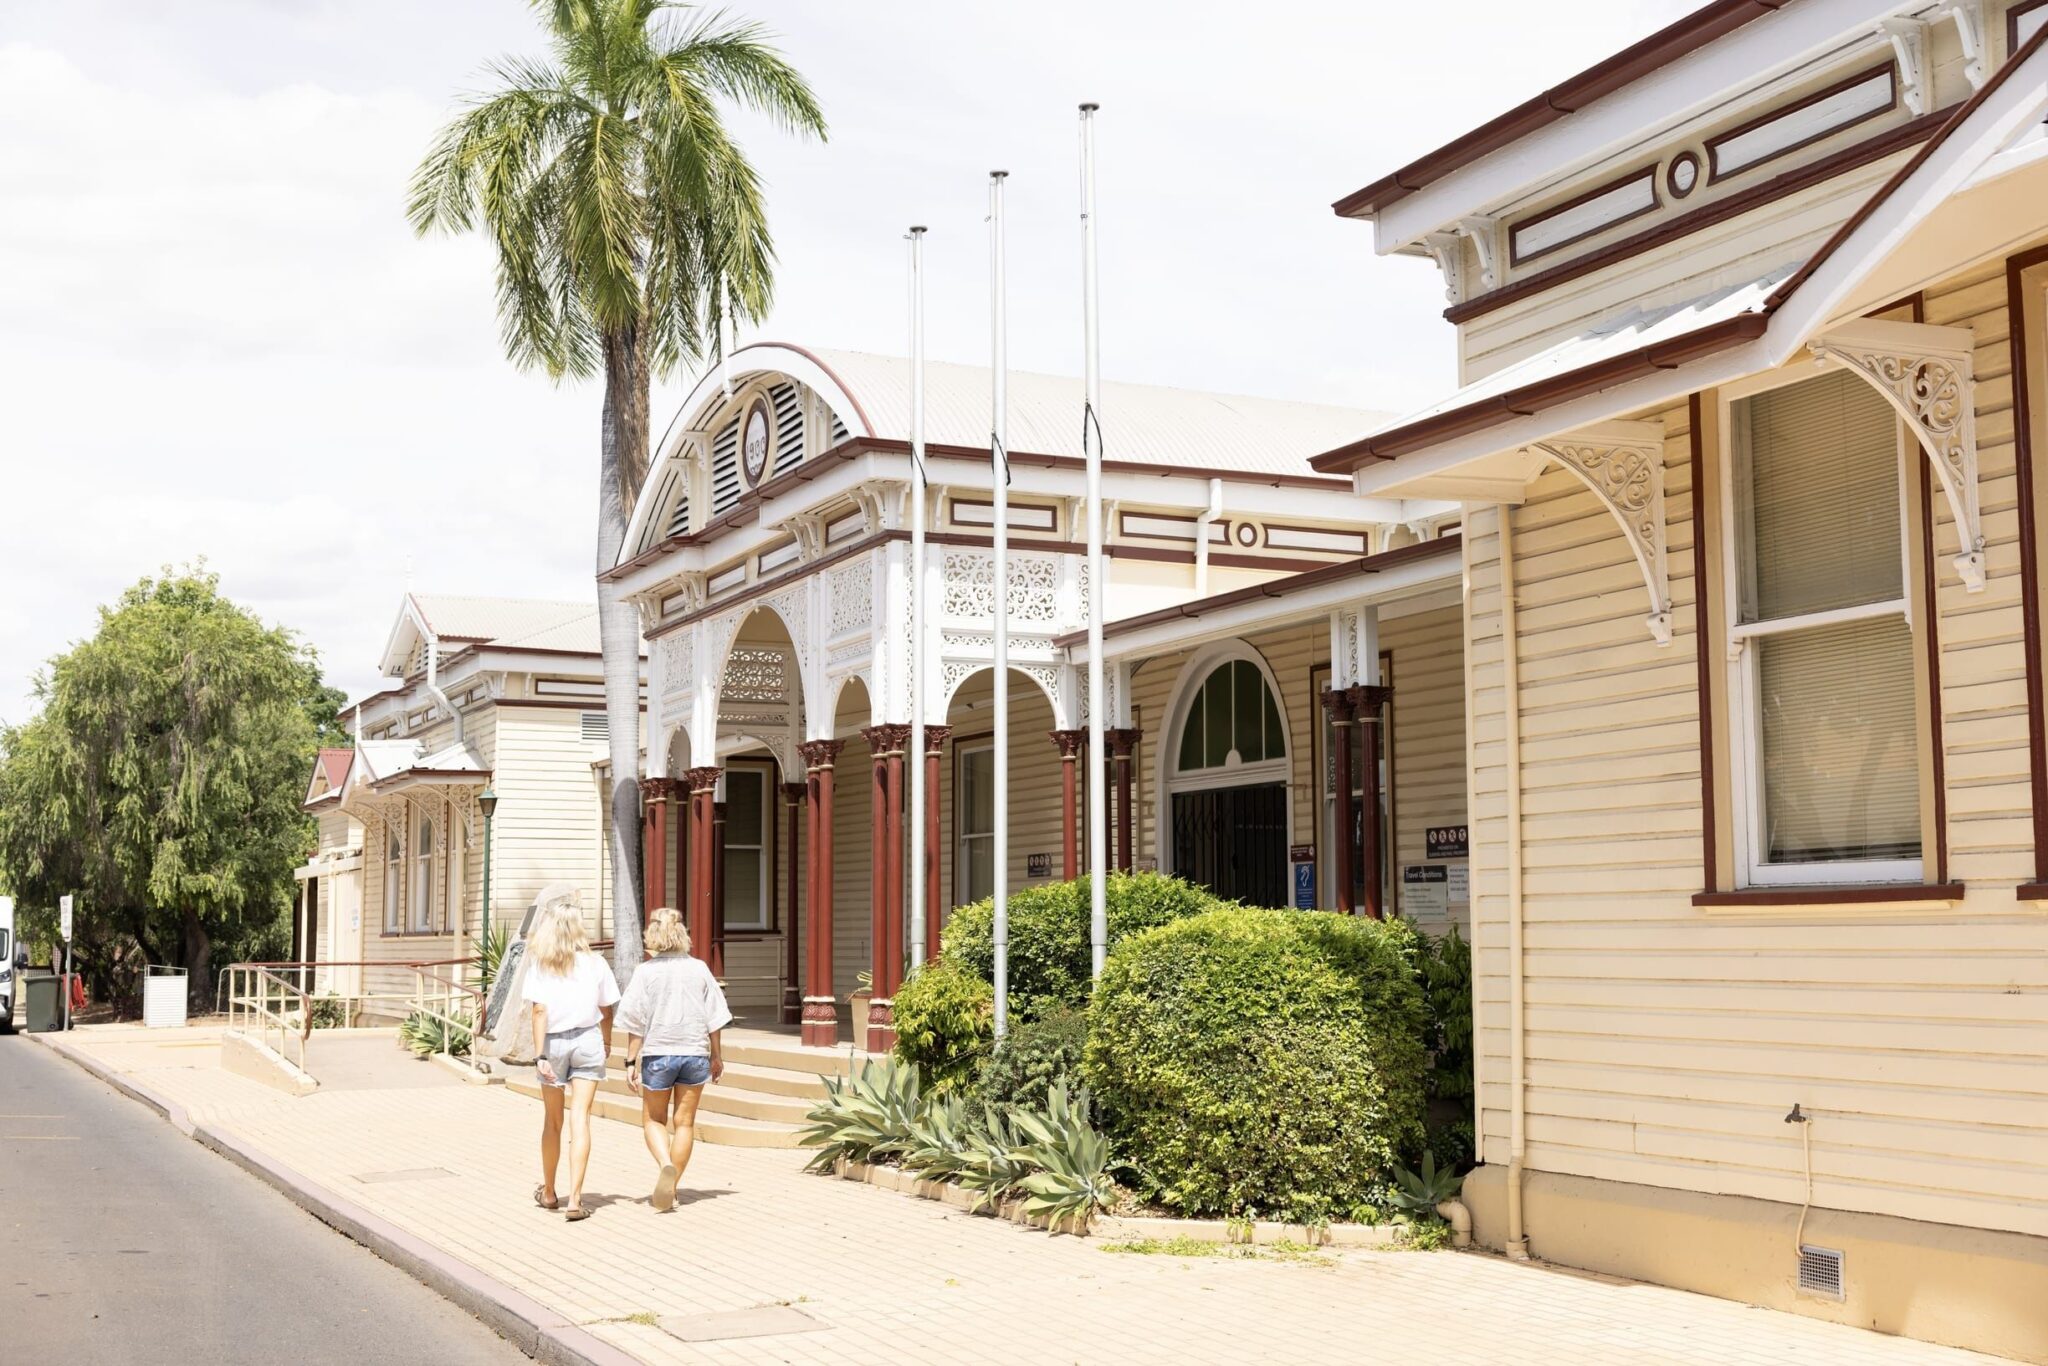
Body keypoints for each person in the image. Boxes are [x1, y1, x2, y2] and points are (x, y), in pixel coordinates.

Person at [613, 906, 731, 1212]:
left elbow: (635, 1022)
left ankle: (665, 1164)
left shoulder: (645, 972)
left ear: (651, 934)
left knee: (653, 1119)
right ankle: (673, 1187)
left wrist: (630, 1061)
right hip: (694, 1053)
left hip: (659, 1053)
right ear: (682, 934)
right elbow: (714, 1019)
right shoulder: (700, 969)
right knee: (685, 1123)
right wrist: (717, 1056)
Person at [522, 903, 619, 1221]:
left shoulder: (542, 964)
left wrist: (539, 1056)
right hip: (588, 1040)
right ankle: (576, 1200)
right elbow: (606, 1009)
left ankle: (549, 1192)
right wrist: (606, 1041)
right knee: (582, 1120)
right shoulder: (596, 963)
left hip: (553, 1044)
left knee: (552, 1122)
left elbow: (538, 1011)